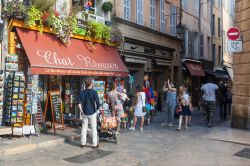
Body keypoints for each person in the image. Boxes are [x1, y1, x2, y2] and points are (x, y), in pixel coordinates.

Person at [78, 78, 100, 148]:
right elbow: (98, 103)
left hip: (84, 112)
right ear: (91, 84)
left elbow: (79, 103)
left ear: (85, 84)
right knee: (94, 128)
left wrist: (81, 111)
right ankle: (94, 144)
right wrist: (97, 109)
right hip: (92, 112)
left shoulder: (82, 92)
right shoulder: (94, 92)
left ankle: (82, 143)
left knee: (84, 128)